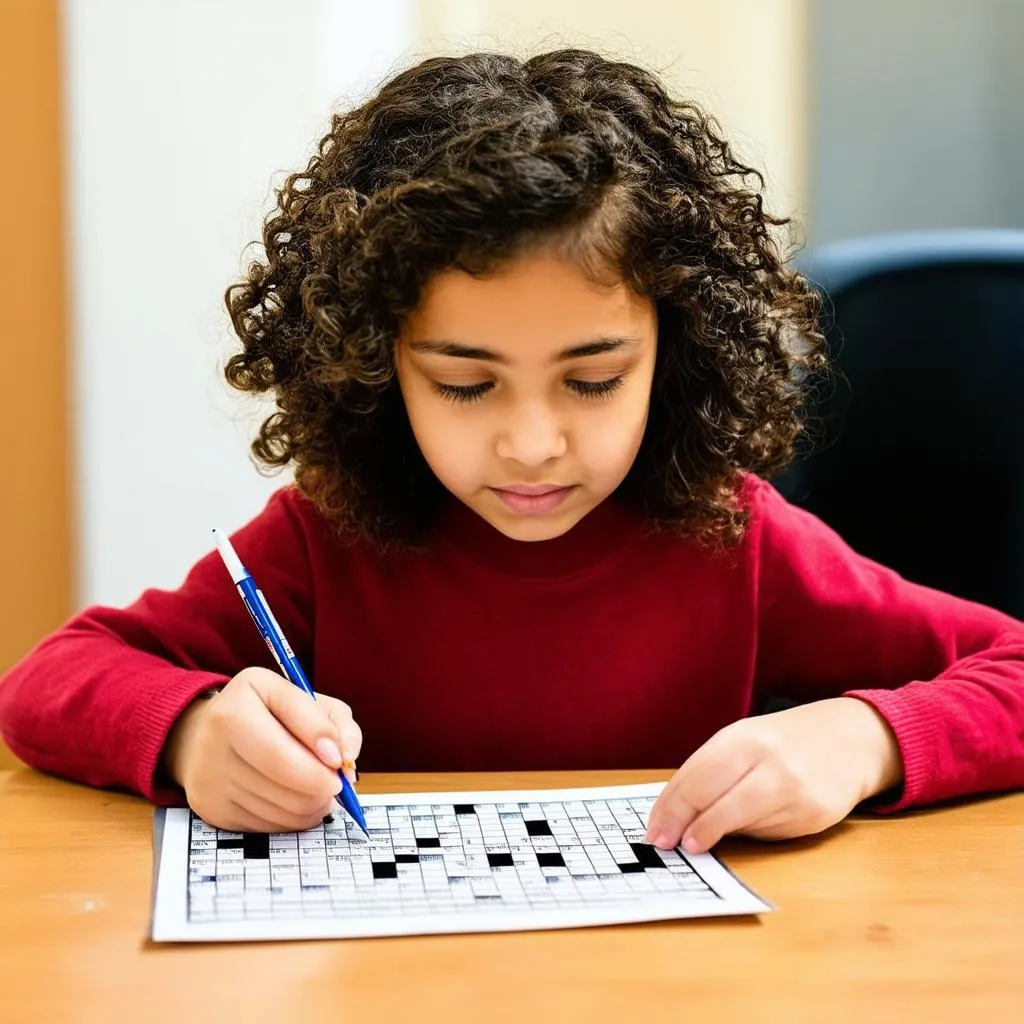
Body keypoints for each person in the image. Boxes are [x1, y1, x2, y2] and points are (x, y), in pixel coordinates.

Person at [2, 49, 1022, 856]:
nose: (533, 444)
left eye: (592, 379)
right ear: (371, 364)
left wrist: (866, 741)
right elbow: (49, 681)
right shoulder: (323, 543)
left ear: (676, 352)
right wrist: (190, 730)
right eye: (462, 382)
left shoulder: (736, 536)